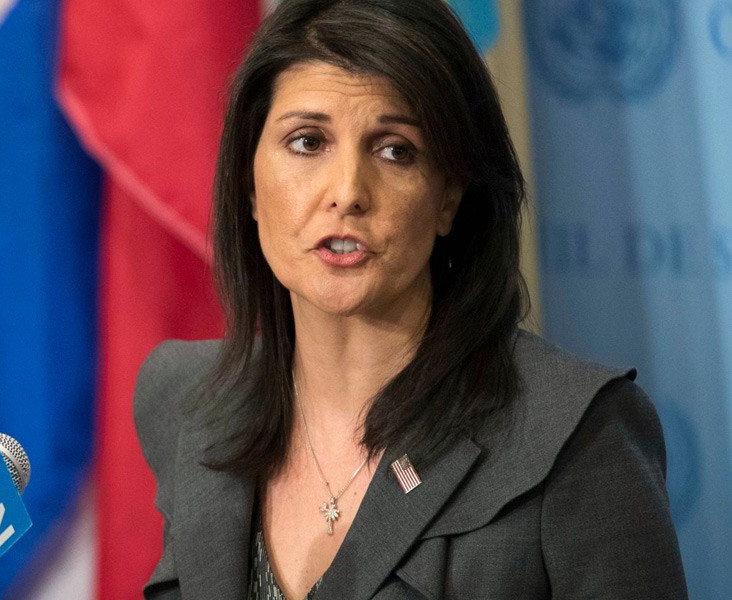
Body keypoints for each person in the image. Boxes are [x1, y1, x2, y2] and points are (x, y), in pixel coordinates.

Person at [133, 0, 689, 598]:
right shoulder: (184, 401)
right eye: (307, 141)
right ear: (247, 182)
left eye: (395, 150)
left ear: (449, 196)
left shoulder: (576, 434)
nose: (347, 192)